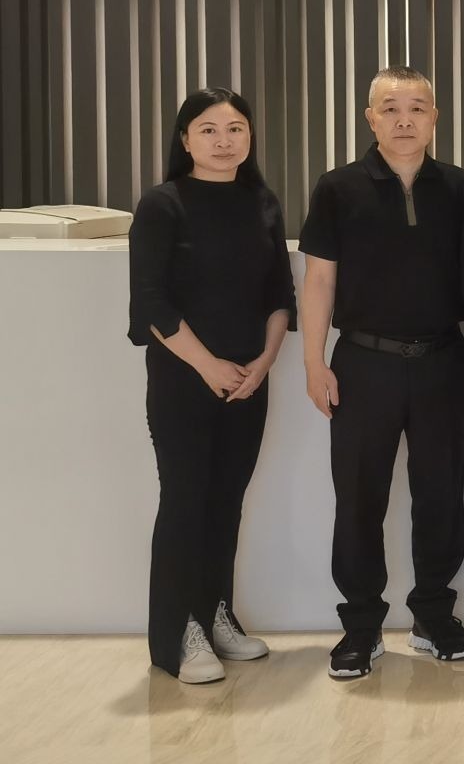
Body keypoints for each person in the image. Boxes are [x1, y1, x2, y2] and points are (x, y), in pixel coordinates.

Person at [298, 68, 464, 678]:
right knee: (359, 497)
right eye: (391, 108)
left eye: (417, 108)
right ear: (370, 118)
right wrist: (314, 362)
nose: (405, 120)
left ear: (434, 118)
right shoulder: (338, 188)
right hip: (362, 364)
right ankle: (361, 625)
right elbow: (319, 280)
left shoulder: (458, 186)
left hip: (442, 361)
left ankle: (434, 615)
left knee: (440, 494)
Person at [127, 88, 295, 684]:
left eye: (235, 129)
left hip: (248, 383)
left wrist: (264, 362)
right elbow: (151, 301)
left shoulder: (262, 202)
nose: (224, 141)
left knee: (226, 501)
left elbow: (279, 293)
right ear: (185, 139)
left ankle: (215, 613)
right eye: (209, 130)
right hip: (184, 380)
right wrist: (209, 366)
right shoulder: (162, 204)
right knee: (185, 502)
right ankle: (178, 635)